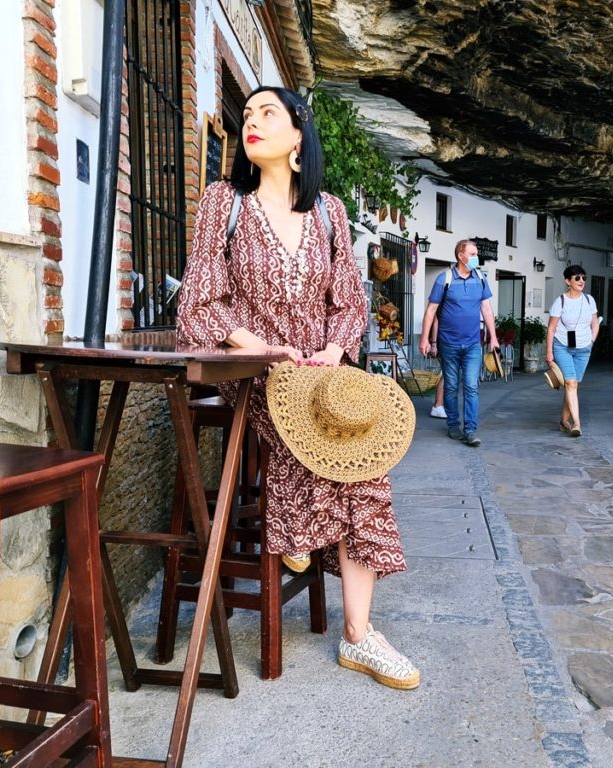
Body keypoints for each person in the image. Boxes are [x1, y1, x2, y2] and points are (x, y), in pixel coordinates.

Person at [176, 85, 419, 689]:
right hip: (254, 374)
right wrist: (255, 346)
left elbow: (351, 302)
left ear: (297, 136)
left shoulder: (331, 213)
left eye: (267, 114)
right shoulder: (222, 203)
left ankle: (355, 629)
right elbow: (197, 304)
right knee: (317, 448)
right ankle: (305, 540)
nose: (251, 123)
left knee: (363, 455)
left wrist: (333, 351)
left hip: (322, 374)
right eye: (247, 115)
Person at [419, 240, 499, 447]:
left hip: (473, 343)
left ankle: (470, 430)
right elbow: (431, 311)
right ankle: (453, 425)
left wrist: (494, 336)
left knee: (472, 386)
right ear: (461, 256)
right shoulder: (443, 279)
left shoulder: (480, 278)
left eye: (476, 253)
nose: (476, 257)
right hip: (448, 344)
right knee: (452, 386)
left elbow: (487, 309)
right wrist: (425, 339)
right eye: (472, 253)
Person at [545, 264, 599, 437]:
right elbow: (551, 329)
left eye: (583, 277)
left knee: (574, 385)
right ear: (568, 281)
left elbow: (595, 323)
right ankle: (577, 424)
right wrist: (549, 352)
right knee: (571, 383)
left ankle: (563, 420)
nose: (581, 281)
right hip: (563, 347)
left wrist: (591, 341)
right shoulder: (560, 301)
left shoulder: (589, 300)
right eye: (577, 278)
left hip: (584, 348)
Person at [427, 316, 446, 418]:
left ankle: (440, 404)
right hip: (443, 340)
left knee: (448, 373)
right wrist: (434, 344)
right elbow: (435, 321)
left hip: (446, 340)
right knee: (447, 374)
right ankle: (438, 405)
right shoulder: (441, 302)